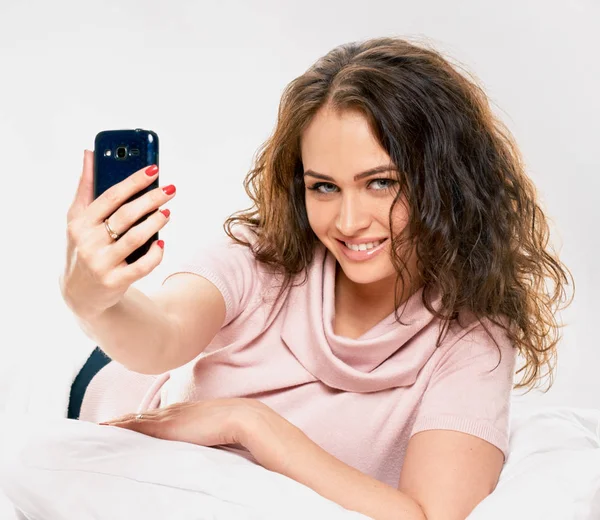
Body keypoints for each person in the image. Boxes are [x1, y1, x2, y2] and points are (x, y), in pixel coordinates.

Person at [59, 36, 575, 520]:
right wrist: (94, 301)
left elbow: (426, 515)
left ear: (446, 183)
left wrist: (251, 423)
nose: (348, 222)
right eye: (324, 187)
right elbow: (164, 337)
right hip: (101, 389)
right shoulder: (265, 259)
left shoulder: (471, 337)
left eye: (380, 183)